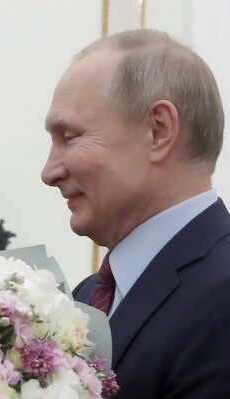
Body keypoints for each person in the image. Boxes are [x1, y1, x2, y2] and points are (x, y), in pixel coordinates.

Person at [41, 28, 230, 398]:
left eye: (70, 136)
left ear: (158, 130)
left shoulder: (222, 295)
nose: (49, 172)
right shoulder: (86, 298)